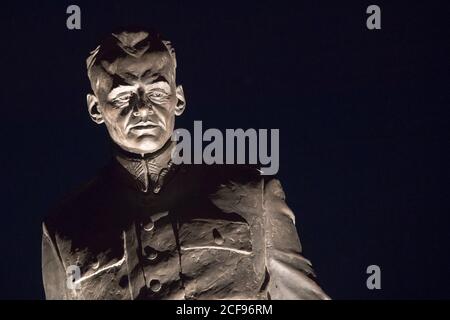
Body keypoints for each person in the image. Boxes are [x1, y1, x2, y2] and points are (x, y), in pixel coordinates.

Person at [41, 28, 329, 300]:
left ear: (178, 99)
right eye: (123, 96)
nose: (142, 108)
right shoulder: (65, 229)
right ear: (95, 108)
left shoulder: (253, 193)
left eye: (156, 92)